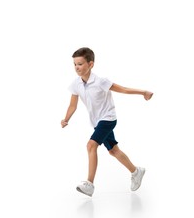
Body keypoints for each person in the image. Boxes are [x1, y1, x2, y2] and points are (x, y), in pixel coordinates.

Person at [61, 47, 153, 197]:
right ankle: (136, 171)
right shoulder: (76, 84)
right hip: (97, 122)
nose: (77, 67)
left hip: (108, 119)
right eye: (75, 64)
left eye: (80, 64)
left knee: (91, 145)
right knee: (113, 151)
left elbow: (123, 89)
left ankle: (89, 184)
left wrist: (143, 92)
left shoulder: (100, 82)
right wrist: (66, 119)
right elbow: (73, 105)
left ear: (91, 64)